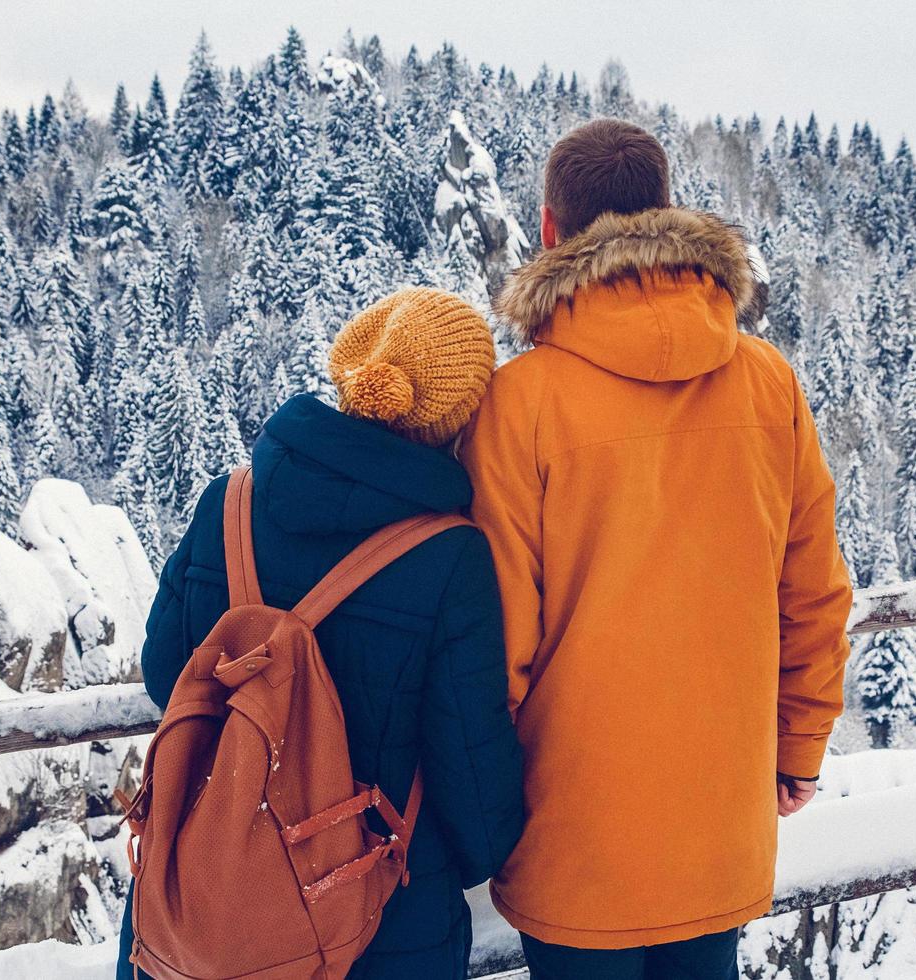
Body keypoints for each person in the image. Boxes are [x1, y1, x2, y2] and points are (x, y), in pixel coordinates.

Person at [459, 119, 853, 979]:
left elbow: (499, 646)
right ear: (667, 217)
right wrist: (800, 746)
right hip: (719, 826)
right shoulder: (769, 381)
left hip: (572, 838)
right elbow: (815, 592)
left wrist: (481, 808)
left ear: (552, 230)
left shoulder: (519, 404)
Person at [118, 287, 525, 980]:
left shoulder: (228, 503)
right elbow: (475, 788)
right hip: (375, 928)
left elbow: (166, 676)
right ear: (461, 419)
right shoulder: (451, 558)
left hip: (201, 917)